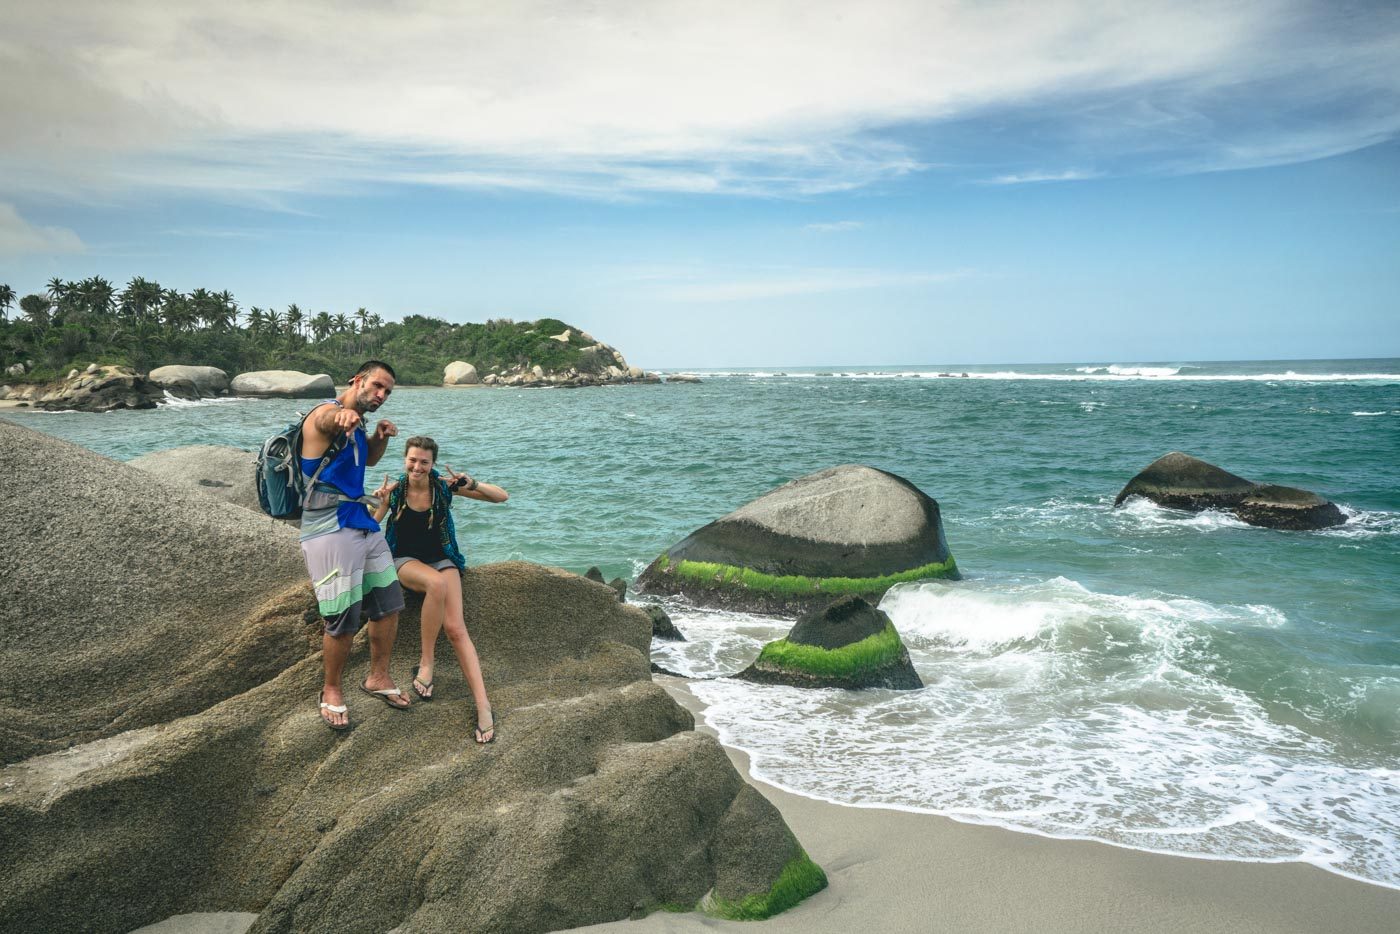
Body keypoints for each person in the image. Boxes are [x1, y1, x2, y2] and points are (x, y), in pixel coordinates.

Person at [372, 435, 507, 744]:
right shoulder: (394, 493)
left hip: (443, 559)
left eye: (424, 462)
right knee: (434, 584)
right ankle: (427, 662)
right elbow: (369, 527)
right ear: (404, 459)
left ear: (432, 464)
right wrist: (378, 505)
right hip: (404, 560)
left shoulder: (445, 488)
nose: (417, 466)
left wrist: (470, 482)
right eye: (412, 460)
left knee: (457, 629)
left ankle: (483, 706)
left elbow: (502, 497)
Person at [299, 360, 407, 731]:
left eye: (388, 391)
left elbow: (367, 460)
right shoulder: (326, 414)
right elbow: (328, 421)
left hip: (361, 522)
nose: (381, 395)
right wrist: (342, 414)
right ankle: (331, 689)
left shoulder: (358, 423)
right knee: (343, 616)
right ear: (356, 380)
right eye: (377, 386)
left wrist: (380, 437)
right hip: (328, 526)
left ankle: (378, 677)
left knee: (389, 604)